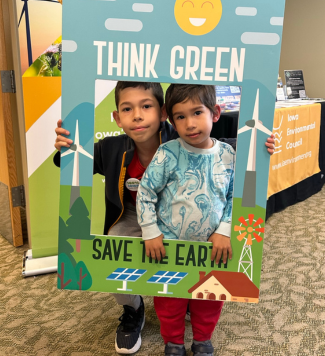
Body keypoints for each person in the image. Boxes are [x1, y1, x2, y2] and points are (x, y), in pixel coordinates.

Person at [54, 82, 275, 355]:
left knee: (202, 266)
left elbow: (222, 151)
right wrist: (68, 147)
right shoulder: (111, 148)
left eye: (146, 106)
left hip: (188, 218)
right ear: (117, 118)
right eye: (127, 109)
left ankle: (190, 299)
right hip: (134, 214)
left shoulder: (181, 132)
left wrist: (262, 146)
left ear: (162, 114)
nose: (137, 115)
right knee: (114, 251)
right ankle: (132, 308)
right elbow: (72, 164)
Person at [135, 85, 240, 356]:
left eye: (197, 113)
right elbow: (145, 193)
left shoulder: (228, 155)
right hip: (169, 245)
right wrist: (150, 231)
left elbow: (234, 197)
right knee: (170, 302)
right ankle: (174, 343)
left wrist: (225, 230)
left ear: (215, 113)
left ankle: (203, 340)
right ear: (171, 120)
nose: (190, 124)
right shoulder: (167, 154)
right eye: (180, 117)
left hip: (212, 247)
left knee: (210, 299)